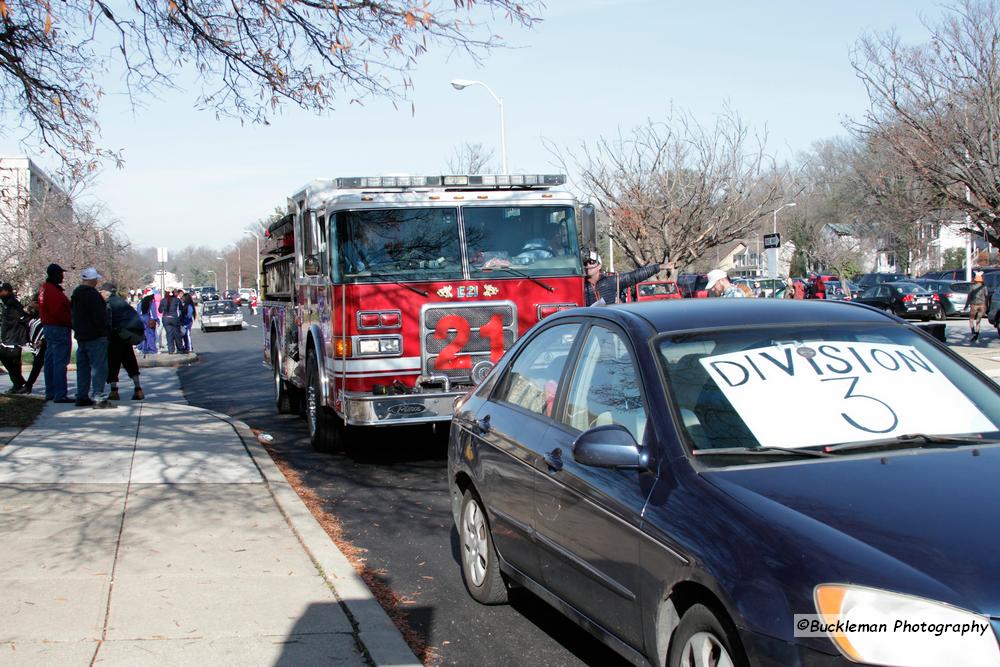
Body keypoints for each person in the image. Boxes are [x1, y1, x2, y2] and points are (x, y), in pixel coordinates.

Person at [71, 267, 114, 408]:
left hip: (81, 336)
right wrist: (104, 332)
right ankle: (99, 397)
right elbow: (99, 317)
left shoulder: (76, 294)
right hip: (95, 336)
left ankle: (82, 395)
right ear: (93, 280)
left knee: (83, 368)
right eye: (96, 279)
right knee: (99, 367)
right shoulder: (93, 295)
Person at [101, 282, 145, 400]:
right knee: (130, 362)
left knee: (113, 364)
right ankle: (138, 389)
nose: (101, 294)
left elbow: (107, 322)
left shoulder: (108, 304)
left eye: (102, 292)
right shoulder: (122, 302)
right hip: (126, 337)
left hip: (115, 337)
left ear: (107, 292)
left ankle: (114, 391)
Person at [583, 249, 671, 306]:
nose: (588, 265)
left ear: (599, 266)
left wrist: (659, 267)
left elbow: (633, 276)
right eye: (585, 263)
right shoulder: (580, 285)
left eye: (591, 262)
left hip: (608, 326)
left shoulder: (611, 281)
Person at [38, 263, 74, 402]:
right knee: (59, 361)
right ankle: (60, 394)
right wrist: (71, 323)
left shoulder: (44, 288)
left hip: (48, 327)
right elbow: (58, 312)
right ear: (54, 274)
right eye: (60, 274)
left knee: (50, 361)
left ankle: (51, 391)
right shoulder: (52, 291)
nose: (62, 276)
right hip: (58, 327)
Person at [0, 282, 29, 393]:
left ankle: (18, 384)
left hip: (13, 340)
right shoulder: (7, 303)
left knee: (13, 364)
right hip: (8, 339)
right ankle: (19, 382)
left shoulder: (13, 304)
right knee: (10, 362)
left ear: (7, 291)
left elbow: (23, 317)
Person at [20, 295, 46, 395]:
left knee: (37, 365)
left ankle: (28, 386)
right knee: (37, 365)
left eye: (34, 302)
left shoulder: (45, 314)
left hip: (43, 344)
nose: (31, 304)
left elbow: (46, 329)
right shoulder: (34, 314)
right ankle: (28, 386)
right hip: (35, 344)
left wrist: (43, 340)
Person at [158, 288, 184, 354]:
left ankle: (171, 350)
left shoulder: (163, 300)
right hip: (174, 318)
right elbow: (181, 309)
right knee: (177, 334)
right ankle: (180, 349)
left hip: (166, 319)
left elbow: (160, 310)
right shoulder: (177, 300)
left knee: (169, 334)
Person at [968, 271, 988, 341]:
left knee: (971, 319)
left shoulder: (972, 287)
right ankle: (977, 334)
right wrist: (986, 305)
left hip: (974, 305)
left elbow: (969, 296)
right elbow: (986, 295)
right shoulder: (984, 287)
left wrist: (967, 304)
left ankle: (973, 332)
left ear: (975, 279)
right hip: (982, 305)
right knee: (978, 320)